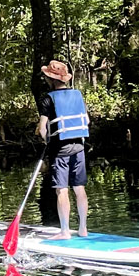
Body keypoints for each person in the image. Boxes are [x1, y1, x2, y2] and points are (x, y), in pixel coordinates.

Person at [36, 59, 90, 236]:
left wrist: (45, 140)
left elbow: (42, 128)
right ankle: (83, 229)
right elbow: (87, 121)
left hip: (60, 150)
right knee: (79, 188)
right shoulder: (78, 95)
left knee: (62, 189)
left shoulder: (47, 98)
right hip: (79, 148)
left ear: (50, 79)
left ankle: (65, 231)